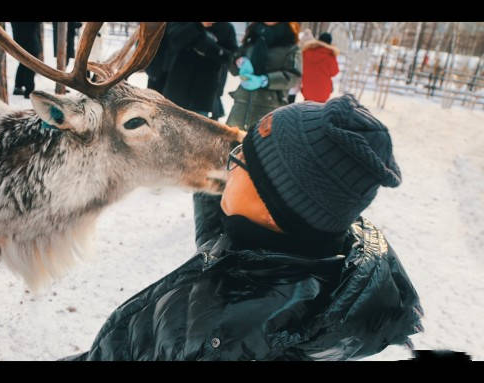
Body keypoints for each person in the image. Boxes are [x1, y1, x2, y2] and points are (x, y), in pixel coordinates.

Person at [63, 94, 423, 361]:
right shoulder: (296, 255)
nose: (229, 165)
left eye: (240, 160)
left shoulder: (217, 340)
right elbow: (223, 233)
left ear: (273, 208)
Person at [159, 22, 238, 247]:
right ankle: (169, 169)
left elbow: (229, 56)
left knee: (198, 139)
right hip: (178, 87)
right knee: (171, 134)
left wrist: (206, 46)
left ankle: (190, 173)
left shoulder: (226, 29)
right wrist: (200, 38)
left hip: (205, 90)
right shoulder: (186, 25)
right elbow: (173, 40)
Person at [225, 22, 302, 131]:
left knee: (260, 146)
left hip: (269, 109)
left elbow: (294, 76)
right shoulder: (252, 37)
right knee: (232, 144)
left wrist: (265, 80)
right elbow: (233, 65)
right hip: (241, 105)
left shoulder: (290, 46)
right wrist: (238, 62)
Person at [301, 32, 340, 103]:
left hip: (307, 89)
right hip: (323, 92)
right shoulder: (330, 55)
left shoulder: (306, 52)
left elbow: (301, 67)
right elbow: (334, 72)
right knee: (319, 110)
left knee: (306, 108)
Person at [11, 22, 42, 98]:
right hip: (30, 42)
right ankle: (29, 91)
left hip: (20, 41)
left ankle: (18, 86)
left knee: (23, 64)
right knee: (31, 66)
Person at [287, 28, 315, 103]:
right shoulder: (312, 42)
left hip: (298, 67)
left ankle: (290, 102)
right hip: (306, 69)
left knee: (293, 88)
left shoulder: (301, 41)